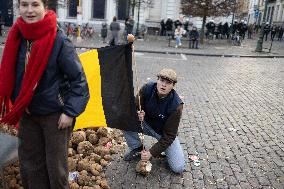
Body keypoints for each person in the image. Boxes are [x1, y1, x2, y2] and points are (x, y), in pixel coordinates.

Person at [0, 0, 90, 188]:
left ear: (45, 7)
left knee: (56, 170)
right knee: (30, 166)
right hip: (27, 114)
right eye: (24, 5)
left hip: (55, 117)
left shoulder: (59, 40)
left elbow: (79, 81)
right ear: (19, 6)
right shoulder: (17, 36)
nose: (30, 10)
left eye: (35, 4)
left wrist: (69, 112)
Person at [123, 69, 185, 174]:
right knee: (125, 119)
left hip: (163, 134)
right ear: (157, 80)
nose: (163, 85)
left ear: (173, 86)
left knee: (178, 168)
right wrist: (137, 113)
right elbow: (133, 106)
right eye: (162, 80)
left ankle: (165, 151)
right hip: (145, 124)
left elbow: (169, 136)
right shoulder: (147, 88)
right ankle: (136, 147)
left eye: (168, 82)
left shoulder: (176, 106)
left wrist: (151, 152)